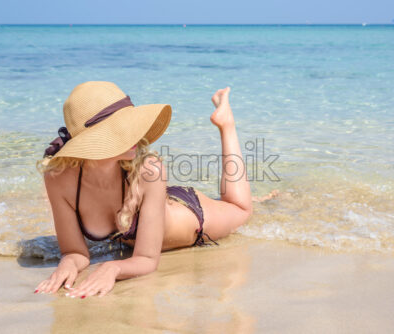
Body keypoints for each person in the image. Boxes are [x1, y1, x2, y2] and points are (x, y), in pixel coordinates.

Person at [33, 81, 253, 298]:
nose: (133, 132)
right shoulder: (59, 179)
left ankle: (227, 125)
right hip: (153, 202)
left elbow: (147, 259)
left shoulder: (150, 171)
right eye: (119, 128)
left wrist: (112, 268)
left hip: (190, 216)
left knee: (241, 208)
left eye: (130, 123)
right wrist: (67, 264)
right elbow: (76, 252)